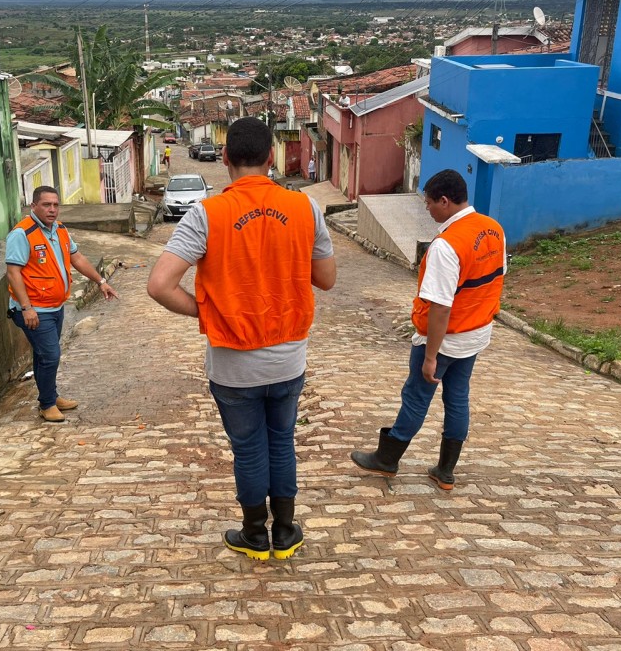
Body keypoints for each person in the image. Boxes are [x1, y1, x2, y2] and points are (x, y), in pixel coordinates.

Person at [147, 117, 336, 561]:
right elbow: (326, 279)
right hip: (288, 358)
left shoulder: (206, 215)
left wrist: (207, 309)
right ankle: (285, 532)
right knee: (282, 441)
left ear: (226, 158)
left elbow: (159, 285)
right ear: (272, 158)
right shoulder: (304, 208)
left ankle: (255, 536)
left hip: (233, 363)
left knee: (249, 449)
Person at [351, 169, 505, 490]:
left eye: (429, 204)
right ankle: (445, 471)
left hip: (443, 339)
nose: (427, 210)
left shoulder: (447, 246)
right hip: (475, 334)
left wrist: (431, 355)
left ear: (445, 201)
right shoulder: (494, 230)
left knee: (416, 397)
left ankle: (387, 459)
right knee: (458, 398)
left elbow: (440, 306)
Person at [6, 186, 118, 422]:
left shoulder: (60, 230)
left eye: (56, 205)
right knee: (51, 355)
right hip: (34, 309)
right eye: (46, 205)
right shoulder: (22, 234)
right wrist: (26, 308)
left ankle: (51, 396)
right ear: (33, 206)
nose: (52, 209)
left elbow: (76, 257)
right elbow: (13, 273)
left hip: (55, 306)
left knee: (44, 355)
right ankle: (47, 405)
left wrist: (100, 281)